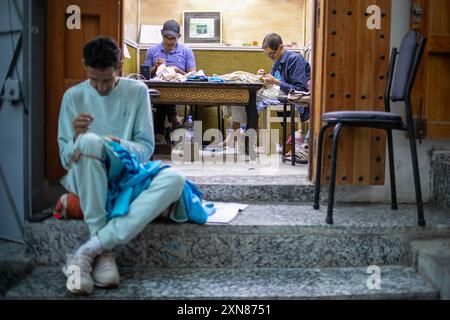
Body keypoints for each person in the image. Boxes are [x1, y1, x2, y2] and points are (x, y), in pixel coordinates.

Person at [58, 37, 185, 295]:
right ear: (85, 67)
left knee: (174, 180)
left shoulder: (136, 91)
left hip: (125, 171)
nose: (101, 88)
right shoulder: (73, 97)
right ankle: (104, 254)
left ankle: (87, 251)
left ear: (119, 67)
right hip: (84, 170)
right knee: (91, 142)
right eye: (94, 81)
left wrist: (119, 145)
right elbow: (65, 158)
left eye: (107, 80)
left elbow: (145, 148)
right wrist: (75, 139)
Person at [226, 33, 311, 159]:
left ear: (281, 47)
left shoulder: (294, 60)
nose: (271, 57)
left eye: (271, 54)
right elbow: (274, 81)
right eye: (267, 55)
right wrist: (264, 76)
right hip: (278, 92)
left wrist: (275, 82)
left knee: (248, 93)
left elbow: (300, 90)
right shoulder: (278, 61)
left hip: (292, 96)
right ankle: (242, 133)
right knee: (239, 94)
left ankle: (244, 135)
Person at [144, 20, 197, 144]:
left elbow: (193, 75)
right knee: (160, 92)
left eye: (172, 38)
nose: (168, 42)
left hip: (180, 90)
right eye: (166, 37)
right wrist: (155, 67)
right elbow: (145, 76)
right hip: (158, 90)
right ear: (161, 34)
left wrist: (178, 71)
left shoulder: (186, 51)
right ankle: (174, 119)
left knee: (163, 95)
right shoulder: (152, 51)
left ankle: (160, 132)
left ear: (178, 37)